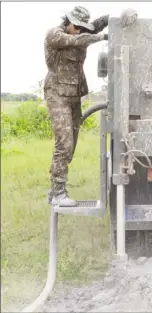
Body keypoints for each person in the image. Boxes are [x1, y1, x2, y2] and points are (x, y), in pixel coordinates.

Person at [44, 6, 109, 206]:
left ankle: (55, 187)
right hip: (58, 96)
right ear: (68, 22)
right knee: (64, 143)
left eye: (83, 28)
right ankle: (58, 193)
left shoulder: (79, 31)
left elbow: (94, 27)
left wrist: (113, 19)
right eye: (77, 27)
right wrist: (103, 37)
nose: (80, 31)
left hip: (73, 97)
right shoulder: (56, 35)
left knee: (70, 146)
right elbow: (77, 40)